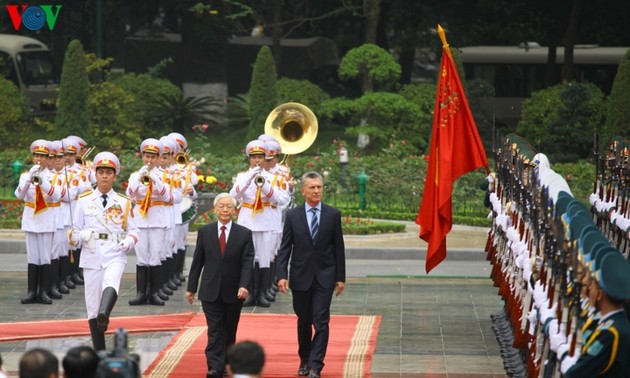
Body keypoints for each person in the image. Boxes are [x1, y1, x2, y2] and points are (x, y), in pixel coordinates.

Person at [276, 171, 346, 378]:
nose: (317, 191)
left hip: (325, 276)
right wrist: (281, 275)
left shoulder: (333, 214)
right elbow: (285, 248)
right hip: (300, 277)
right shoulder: (293, 215)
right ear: (303, 190)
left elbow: (338, 248)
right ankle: (305, 359)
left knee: (321, 321)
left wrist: (340, 277)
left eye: (319, 187)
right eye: (312, 187)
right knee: (304, 321)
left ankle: (316, 365)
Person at [69, 152, 139, 351]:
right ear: (95, 175)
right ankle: (99, 350)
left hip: (115, 251)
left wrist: (128, 242)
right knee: (92, 306)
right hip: (91, 254)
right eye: (101, 172)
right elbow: (73, 233)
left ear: (115, 176)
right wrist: (82, 235)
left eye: (109, 172)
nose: (105, 176)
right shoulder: (84, 200)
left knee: (111, 282)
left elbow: (134, 230)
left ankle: (105, 313)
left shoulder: (123, 202)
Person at [186, 192, 255, 378]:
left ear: (234, 210)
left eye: (229, 207)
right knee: (215, 329)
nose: (225, 210)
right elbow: (198, 261)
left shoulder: (244, 233)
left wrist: (244, 285)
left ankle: (224, 361)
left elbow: (248, 263)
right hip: (210, 290)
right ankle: (214, 366)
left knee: (229, 329)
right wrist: (191, 287)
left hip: (234, 291)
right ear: (215, 209)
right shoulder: (205, 232)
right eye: (221, 206)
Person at [229, 140, 290, 307]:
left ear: (265, 158)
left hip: (266, 221)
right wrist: (249, 178)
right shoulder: (242, 176)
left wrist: (264, 186)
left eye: (260, 157)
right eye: (254, 157)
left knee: (264, 258)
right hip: (248, 221)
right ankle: (248, 292)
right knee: (248, 258)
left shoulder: (274, 178)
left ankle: (262, 293)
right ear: (249, 158)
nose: (257, 160)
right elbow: (233, 195)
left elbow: (282, 199)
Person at [15, 139, 64, 305]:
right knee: (32, 257)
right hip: (31, 218)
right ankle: (31, 291)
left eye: (43, 156)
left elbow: (58, 196)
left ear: (48, 158)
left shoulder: (53, 177)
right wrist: (29, 178)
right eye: (36, 155)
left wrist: (42, 182)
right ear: (32, 157)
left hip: (46, 218)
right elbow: (19, 195)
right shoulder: (25, 175)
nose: (39, 159)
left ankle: (43, 291)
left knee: (45, 257)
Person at [127, 138, 173, 306]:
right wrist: (140, 176)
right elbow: (130, 192)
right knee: (141, 257)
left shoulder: (164, 176)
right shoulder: (135, 175)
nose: (150, 160)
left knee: (155, 256)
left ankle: (154, 293)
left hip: (157, 220)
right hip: (140, 220)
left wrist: (155, 179)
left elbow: (167, 196)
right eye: (147, 156)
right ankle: (141, 293)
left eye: (153, 157)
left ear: (159, 158)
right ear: (142, 157)